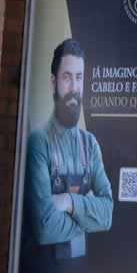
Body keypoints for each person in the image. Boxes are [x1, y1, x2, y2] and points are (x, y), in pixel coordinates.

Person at [26, 38, 113, 259]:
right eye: (67, 77)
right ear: (53, 83)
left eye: (79, 77)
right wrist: (88, 219)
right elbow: (44, 226)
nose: (74, 88)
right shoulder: (39, 142)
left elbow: (107, 215)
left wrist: (68, 202)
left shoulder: (90, 144)